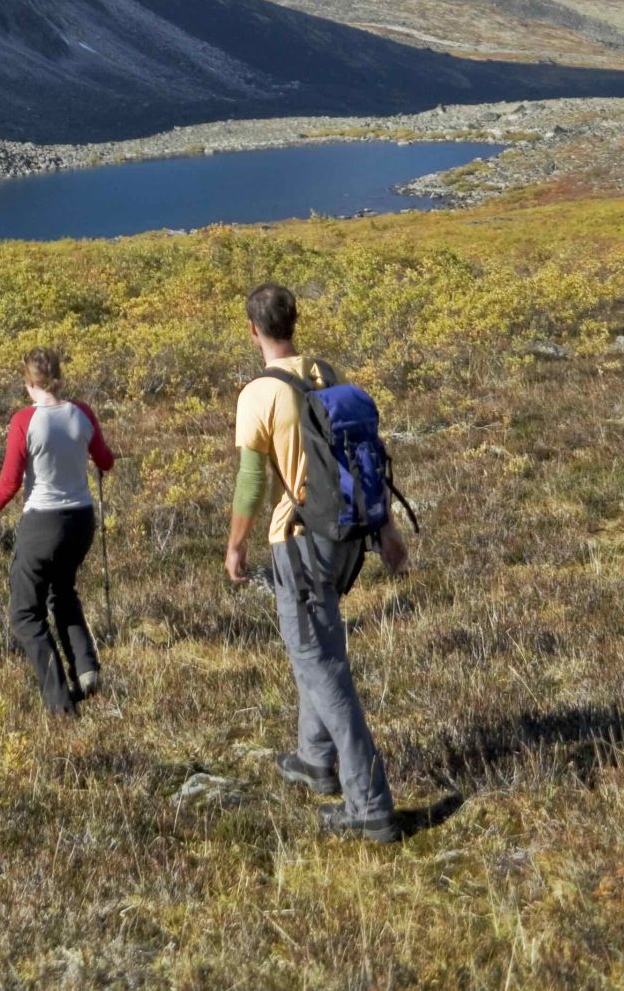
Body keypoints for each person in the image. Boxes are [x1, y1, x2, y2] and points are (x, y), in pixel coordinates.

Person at [225, 283, 406, 843]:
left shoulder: (259, 393)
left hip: (300, 540)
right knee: (319, 649)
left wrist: (236, 546)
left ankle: (370, 804)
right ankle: (313, 759)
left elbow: (253, 482)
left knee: (323, 667)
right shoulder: (325, 371)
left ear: (252, 329)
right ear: (294, 322)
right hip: (348, 533)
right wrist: (389, 531)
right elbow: (362, 455)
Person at [0, 346, 113, 715]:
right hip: (81, 520)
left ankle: (58, 702)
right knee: (62, 590)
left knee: (25, 613)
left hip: (42, 524)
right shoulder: (82, 412)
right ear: (57, 376)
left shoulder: (25, 421)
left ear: (29, 382)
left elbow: (10, 480)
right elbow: (107, 461)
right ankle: (85, 668)